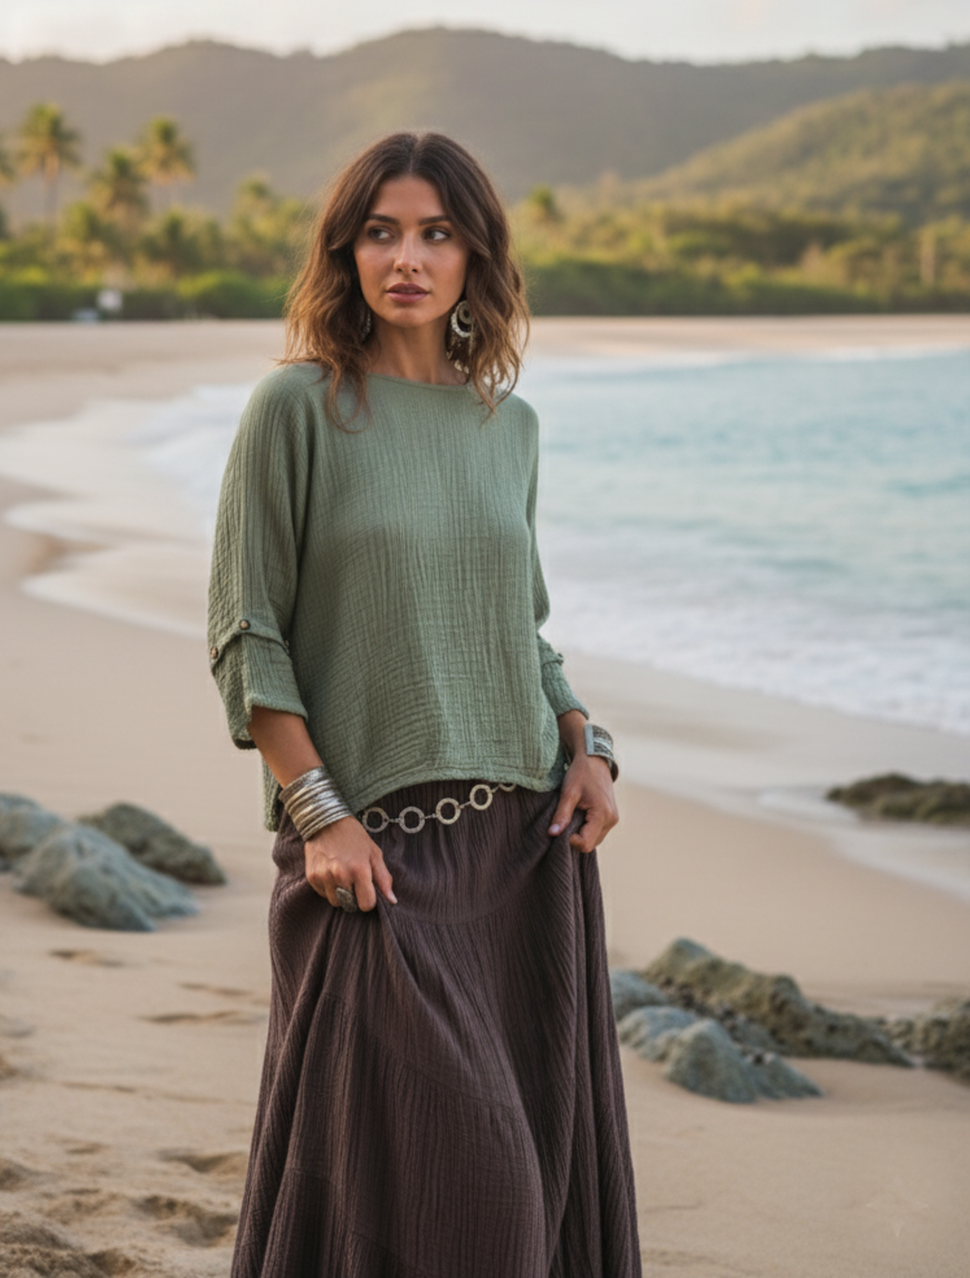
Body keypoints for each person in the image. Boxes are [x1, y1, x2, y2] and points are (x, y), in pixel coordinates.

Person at [207, 131, 641, 1278]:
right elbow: (248, 635)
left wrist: (588, 747)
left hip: (525, 852)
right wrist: (318, 813)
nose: (408, 257)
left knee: (527, 1191)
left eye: (437, 233)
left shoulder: (511, 428)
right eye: (383, 232)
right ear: (345, 251)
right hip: (372, 860)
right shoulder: (294, 409)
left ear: (474, 255)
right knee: (469, 1192)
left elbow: (522, 630)